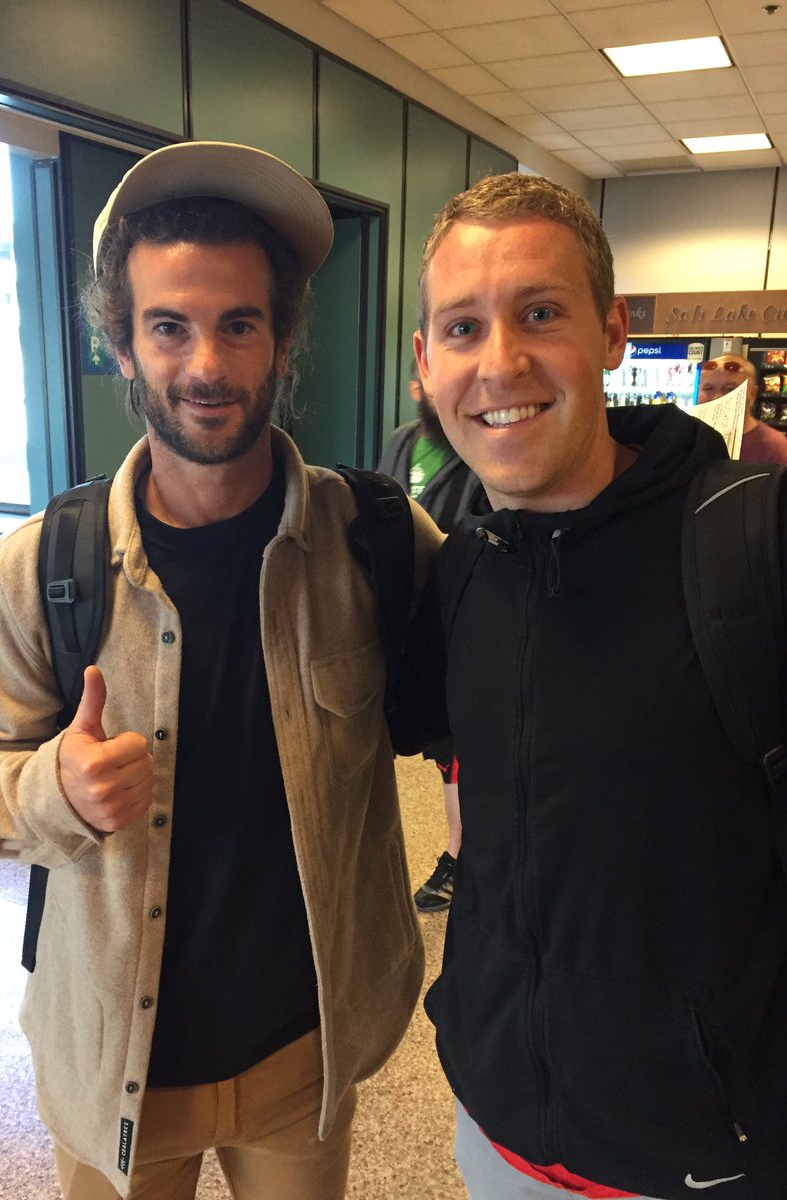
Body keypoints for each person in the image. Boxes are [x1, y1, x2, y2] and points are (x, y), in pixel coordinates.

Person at [0, 140, 443, 1200]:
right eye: (168, 327)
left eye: (239, 324)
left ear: (284, 342)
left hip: (305, 1057)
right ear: (122, 344)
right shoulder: (44, 564)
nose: (205, 364)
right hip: (117, 1068)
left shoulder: (376, 540)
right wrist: (55, 789)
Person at [411, 171, 787, 1200]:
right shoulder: (461, 567)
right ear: (425, 364)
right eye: (462, 327)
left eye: (541, 313)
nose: (501, 363)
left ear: (612, 332)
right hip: (498, 1131)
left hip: (708, 1160)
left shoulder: (752, 540)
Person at [378, 361, 480, 912]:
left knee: (459, 748)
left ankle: (459, 857)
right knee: (442, 748)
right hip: (414, 616)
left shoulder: (479, 440)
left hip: (462, 611)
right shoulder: (402, 441)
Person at [697, 352, 787, 464]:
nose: (718, 397)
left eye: (730, 389)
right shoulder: (687, 437)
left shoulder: (775, 448)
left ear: (752, 394)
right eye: (709, 388)